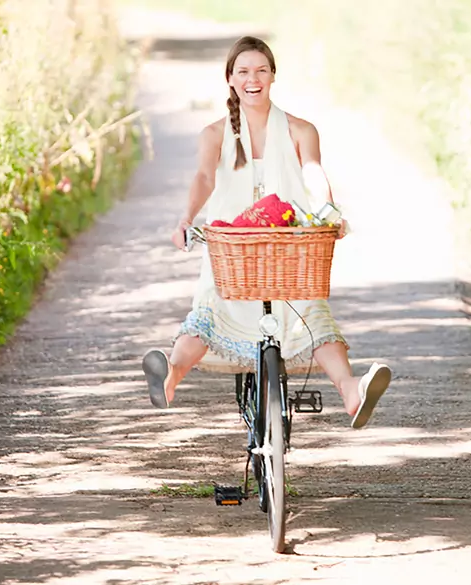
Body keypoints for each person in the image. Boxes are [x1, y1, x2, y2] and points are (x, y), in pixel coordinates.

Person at [142, 36, 391, 429]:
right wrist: (185, 220)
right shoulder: (214, 134)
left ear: (273, 76)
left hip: (286, 246)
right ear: (230, 79)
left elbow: (312, 172)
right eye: (243, 71)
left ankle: (352, 391)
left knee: (310, 309)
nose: (252, 79)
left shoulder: (300, 130)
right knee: (209, 310)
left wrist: (328, 212)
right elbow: (205, 177)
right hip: (232, 249)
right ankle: (169, 378)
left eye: (261, 70)